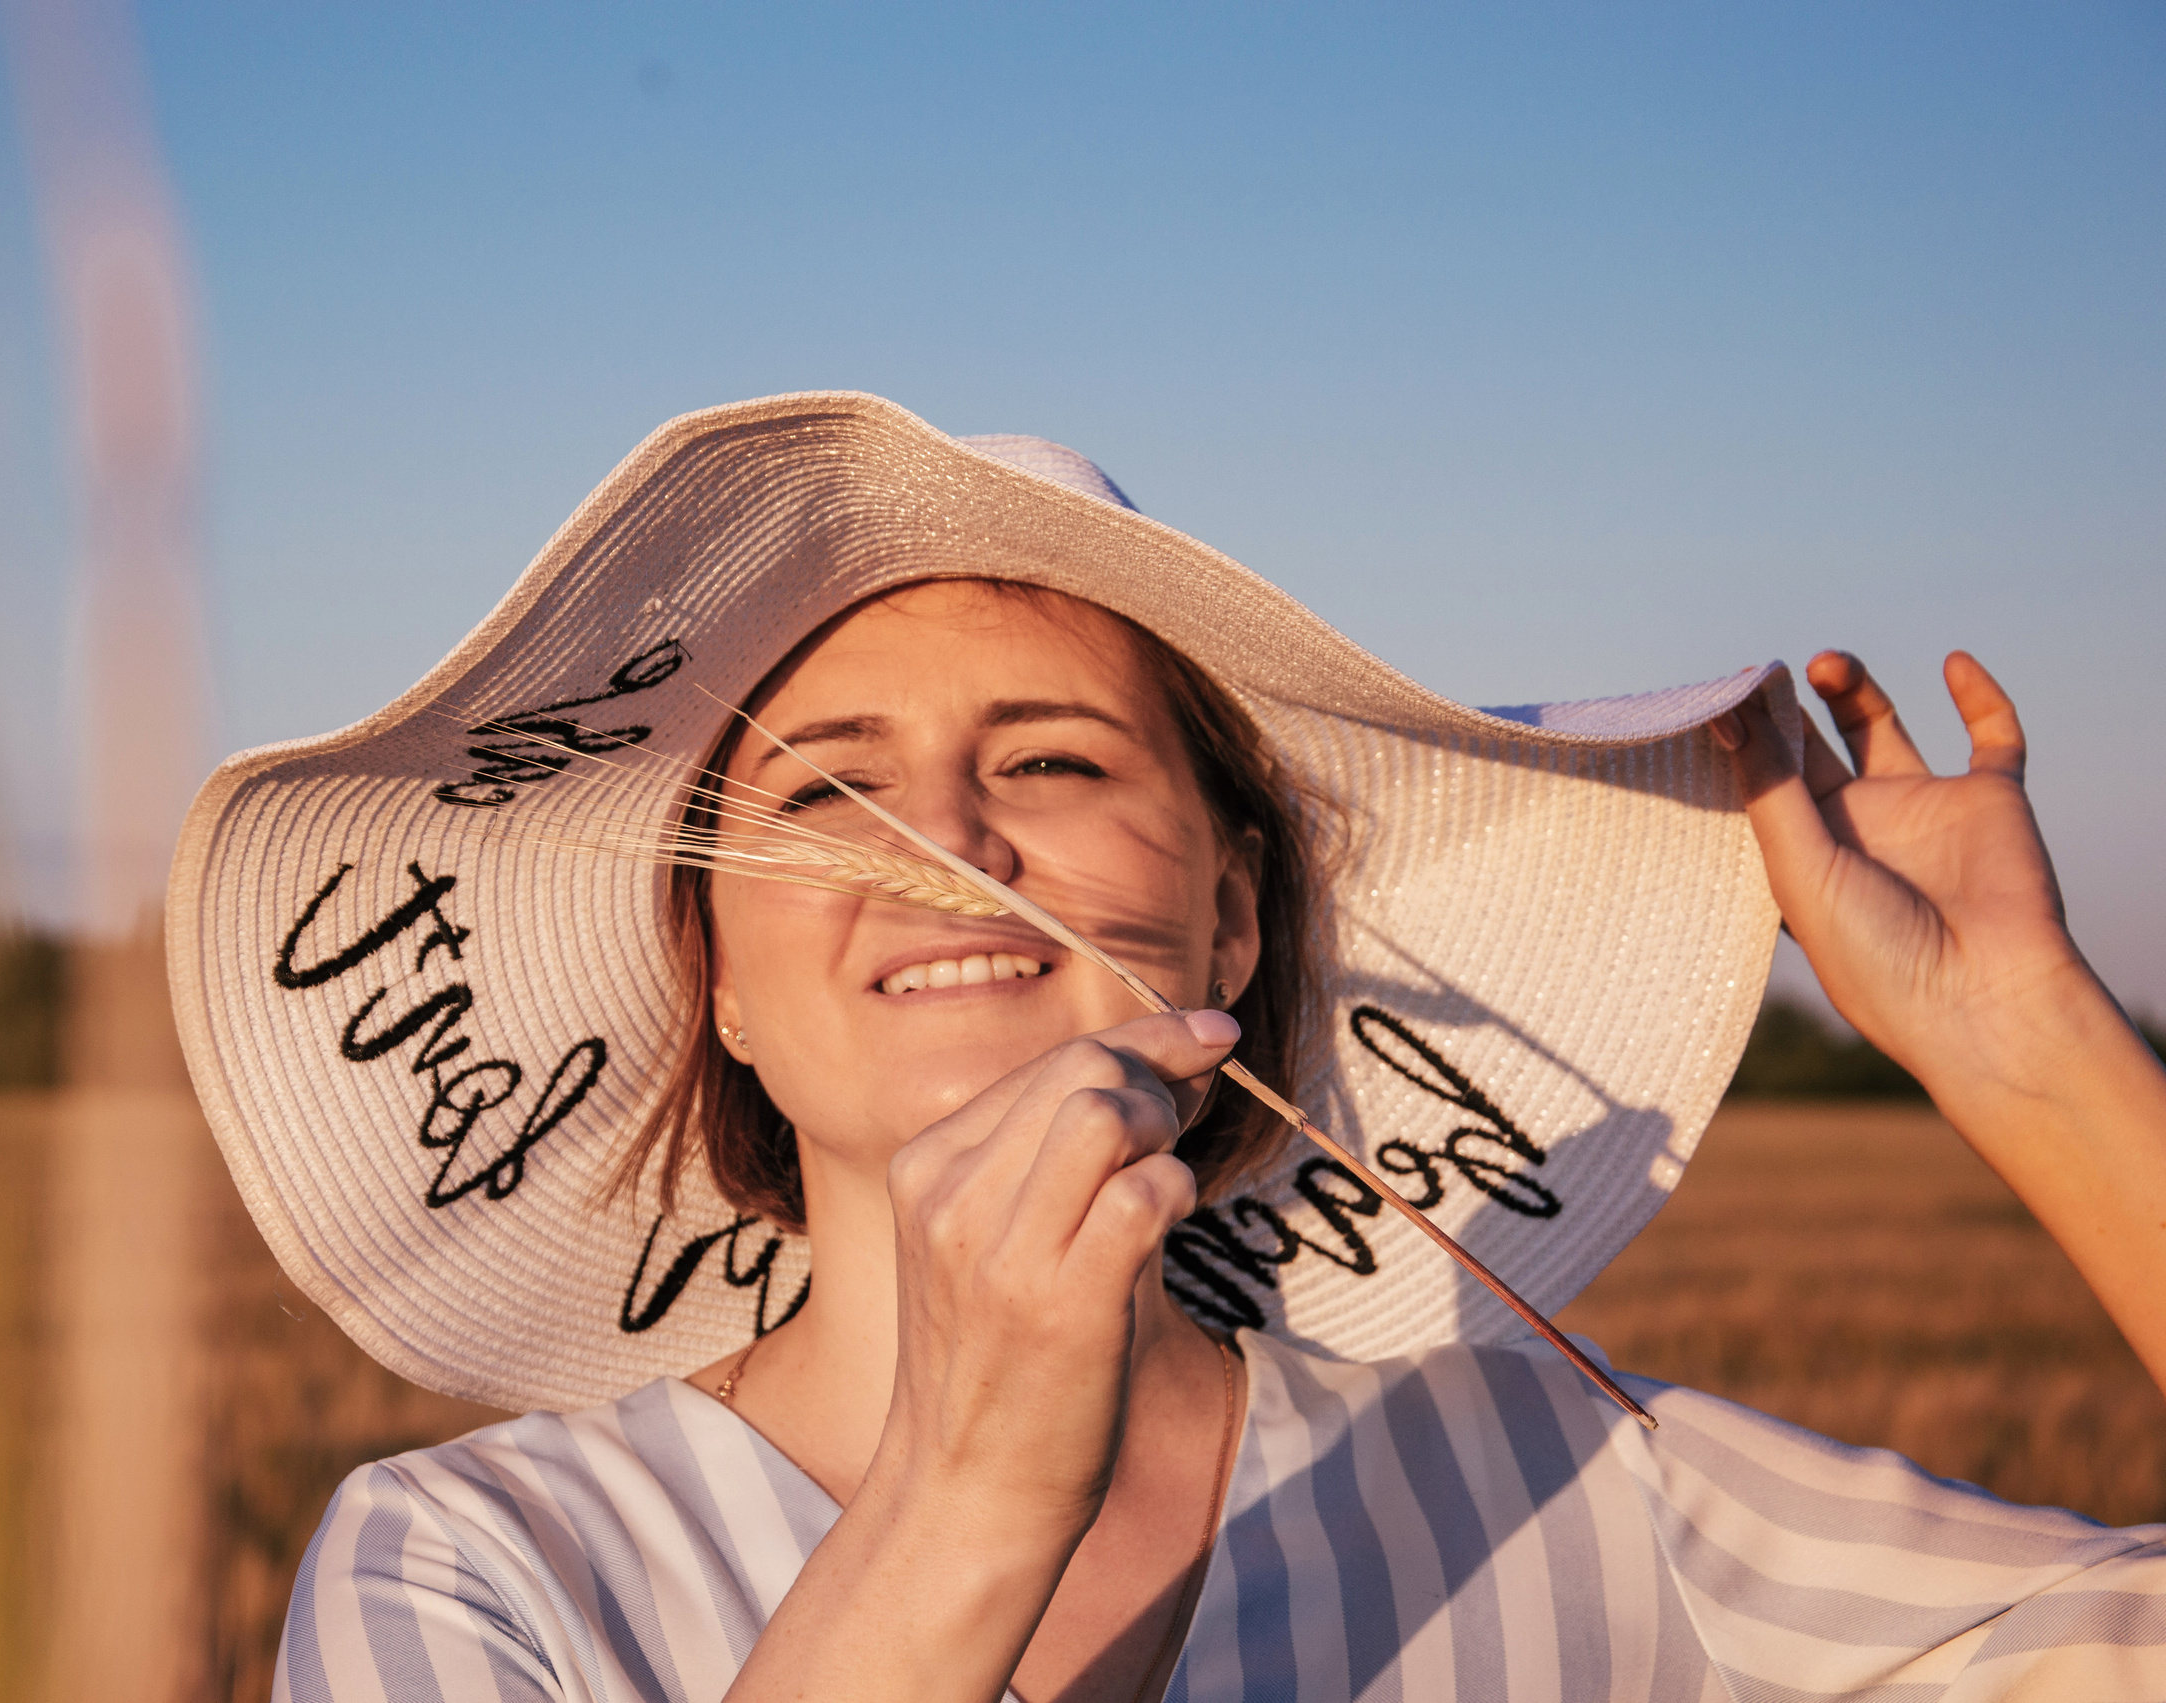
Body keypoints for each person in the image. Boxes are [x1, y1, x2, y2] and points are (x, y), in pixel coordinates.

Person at [167, 394, 2166, 1702]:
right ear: (725, 992)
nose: (948, 853)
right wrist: (973, 1484)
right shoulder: (480, 1573)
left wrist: (2024, 1050)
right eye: (826, 796)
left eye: (1047, 760)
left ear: (1231, 914)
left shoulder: (1557, 1480)